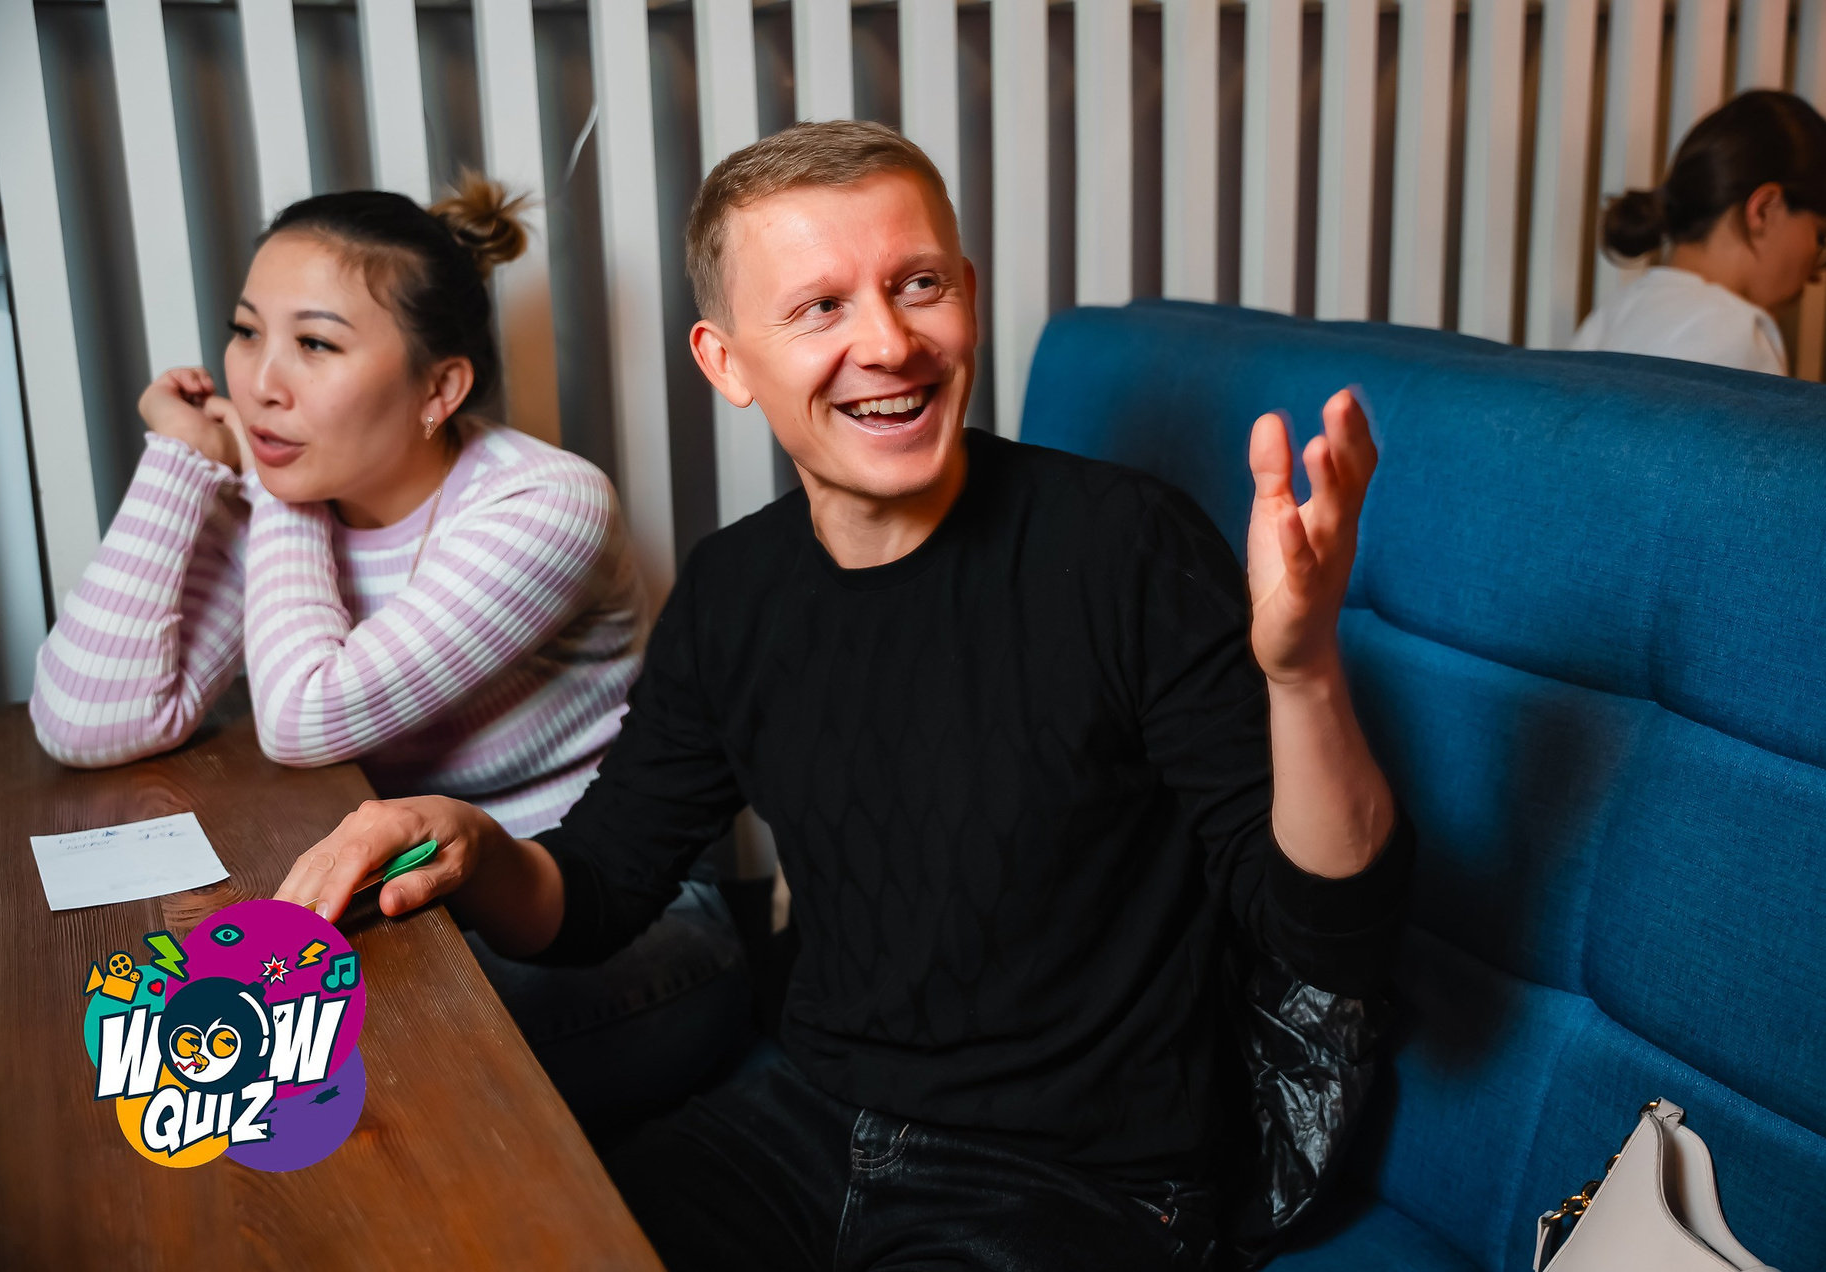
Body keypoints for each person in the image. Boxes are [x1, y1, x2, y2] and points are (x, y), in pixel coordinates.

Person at [276, 122, 1412, 1270]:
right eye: (820, 307)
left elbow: (1329, 936)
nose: (889, 343)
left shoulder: (1125, 546)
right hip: (807, 1124)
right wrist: (472, 843)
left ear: (968, 295)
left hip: (1075, 1177)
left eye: (919, 285)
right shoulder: (735, 590)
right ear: (726, 362)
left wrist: (1302, 673)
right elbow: (602, 890)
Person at [31, 178, 750, 1127]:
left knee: (256, 1072)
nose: (260, 384)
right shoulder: (298, 478)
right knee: (139, 1041)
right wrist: (181, 461)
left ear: (439, 390)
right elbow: (85, 722)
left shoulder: (543, 505)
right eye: (246, 332)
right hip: (402, 897)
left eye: (315, 344)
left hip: (607, 912)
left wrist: (276, 494)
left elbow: (303, 719)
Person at [1572, 90, 1826, 375]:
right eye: (1821, 236)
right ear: (1765, 210)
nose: (1816, 274)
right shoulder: (1736, 336)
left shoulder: (1614, 312)